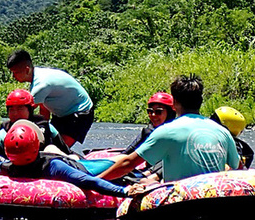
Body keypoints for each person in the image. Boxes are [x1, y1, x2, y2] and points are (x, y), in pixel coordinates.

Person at [99, 75, 240, 184]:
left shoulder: (166, 131)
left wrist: (96, 180)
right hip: (214, 197)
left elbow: (128, 163)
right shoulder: (222, 132)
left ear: (174, 103)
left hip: (180, 203)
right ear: (201, 101)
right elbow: (238, 168)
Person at [0, 121, 130, 197]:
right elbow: (89, 182)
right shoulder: (53, 168)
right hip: (71, 164)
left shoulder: (10, 166)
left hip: (78, 165)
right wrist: (123, 191)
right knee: (124, 161)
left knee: (122, 163)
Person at [6, 49, 94, 147]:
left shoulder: (40, 85)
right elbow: (44, 110)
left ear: (27, 70)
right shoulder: (37, 74)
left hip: (80, 112)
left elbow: (21, 114)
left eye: (15, 72)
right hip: (60, 114)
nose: (13, 77)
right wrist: (43, 130)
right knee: (47, 144)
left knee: (59, 149)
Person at [0, 88, 69, 158]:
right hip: (12, 165)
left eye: (20, 109)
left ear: (30, 110)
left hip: (42, 163)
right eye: (11, 110)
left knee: (51, 148)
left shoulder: (45, 125)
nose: (15, 113)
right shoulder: (4, 130)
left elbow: (65, 149)